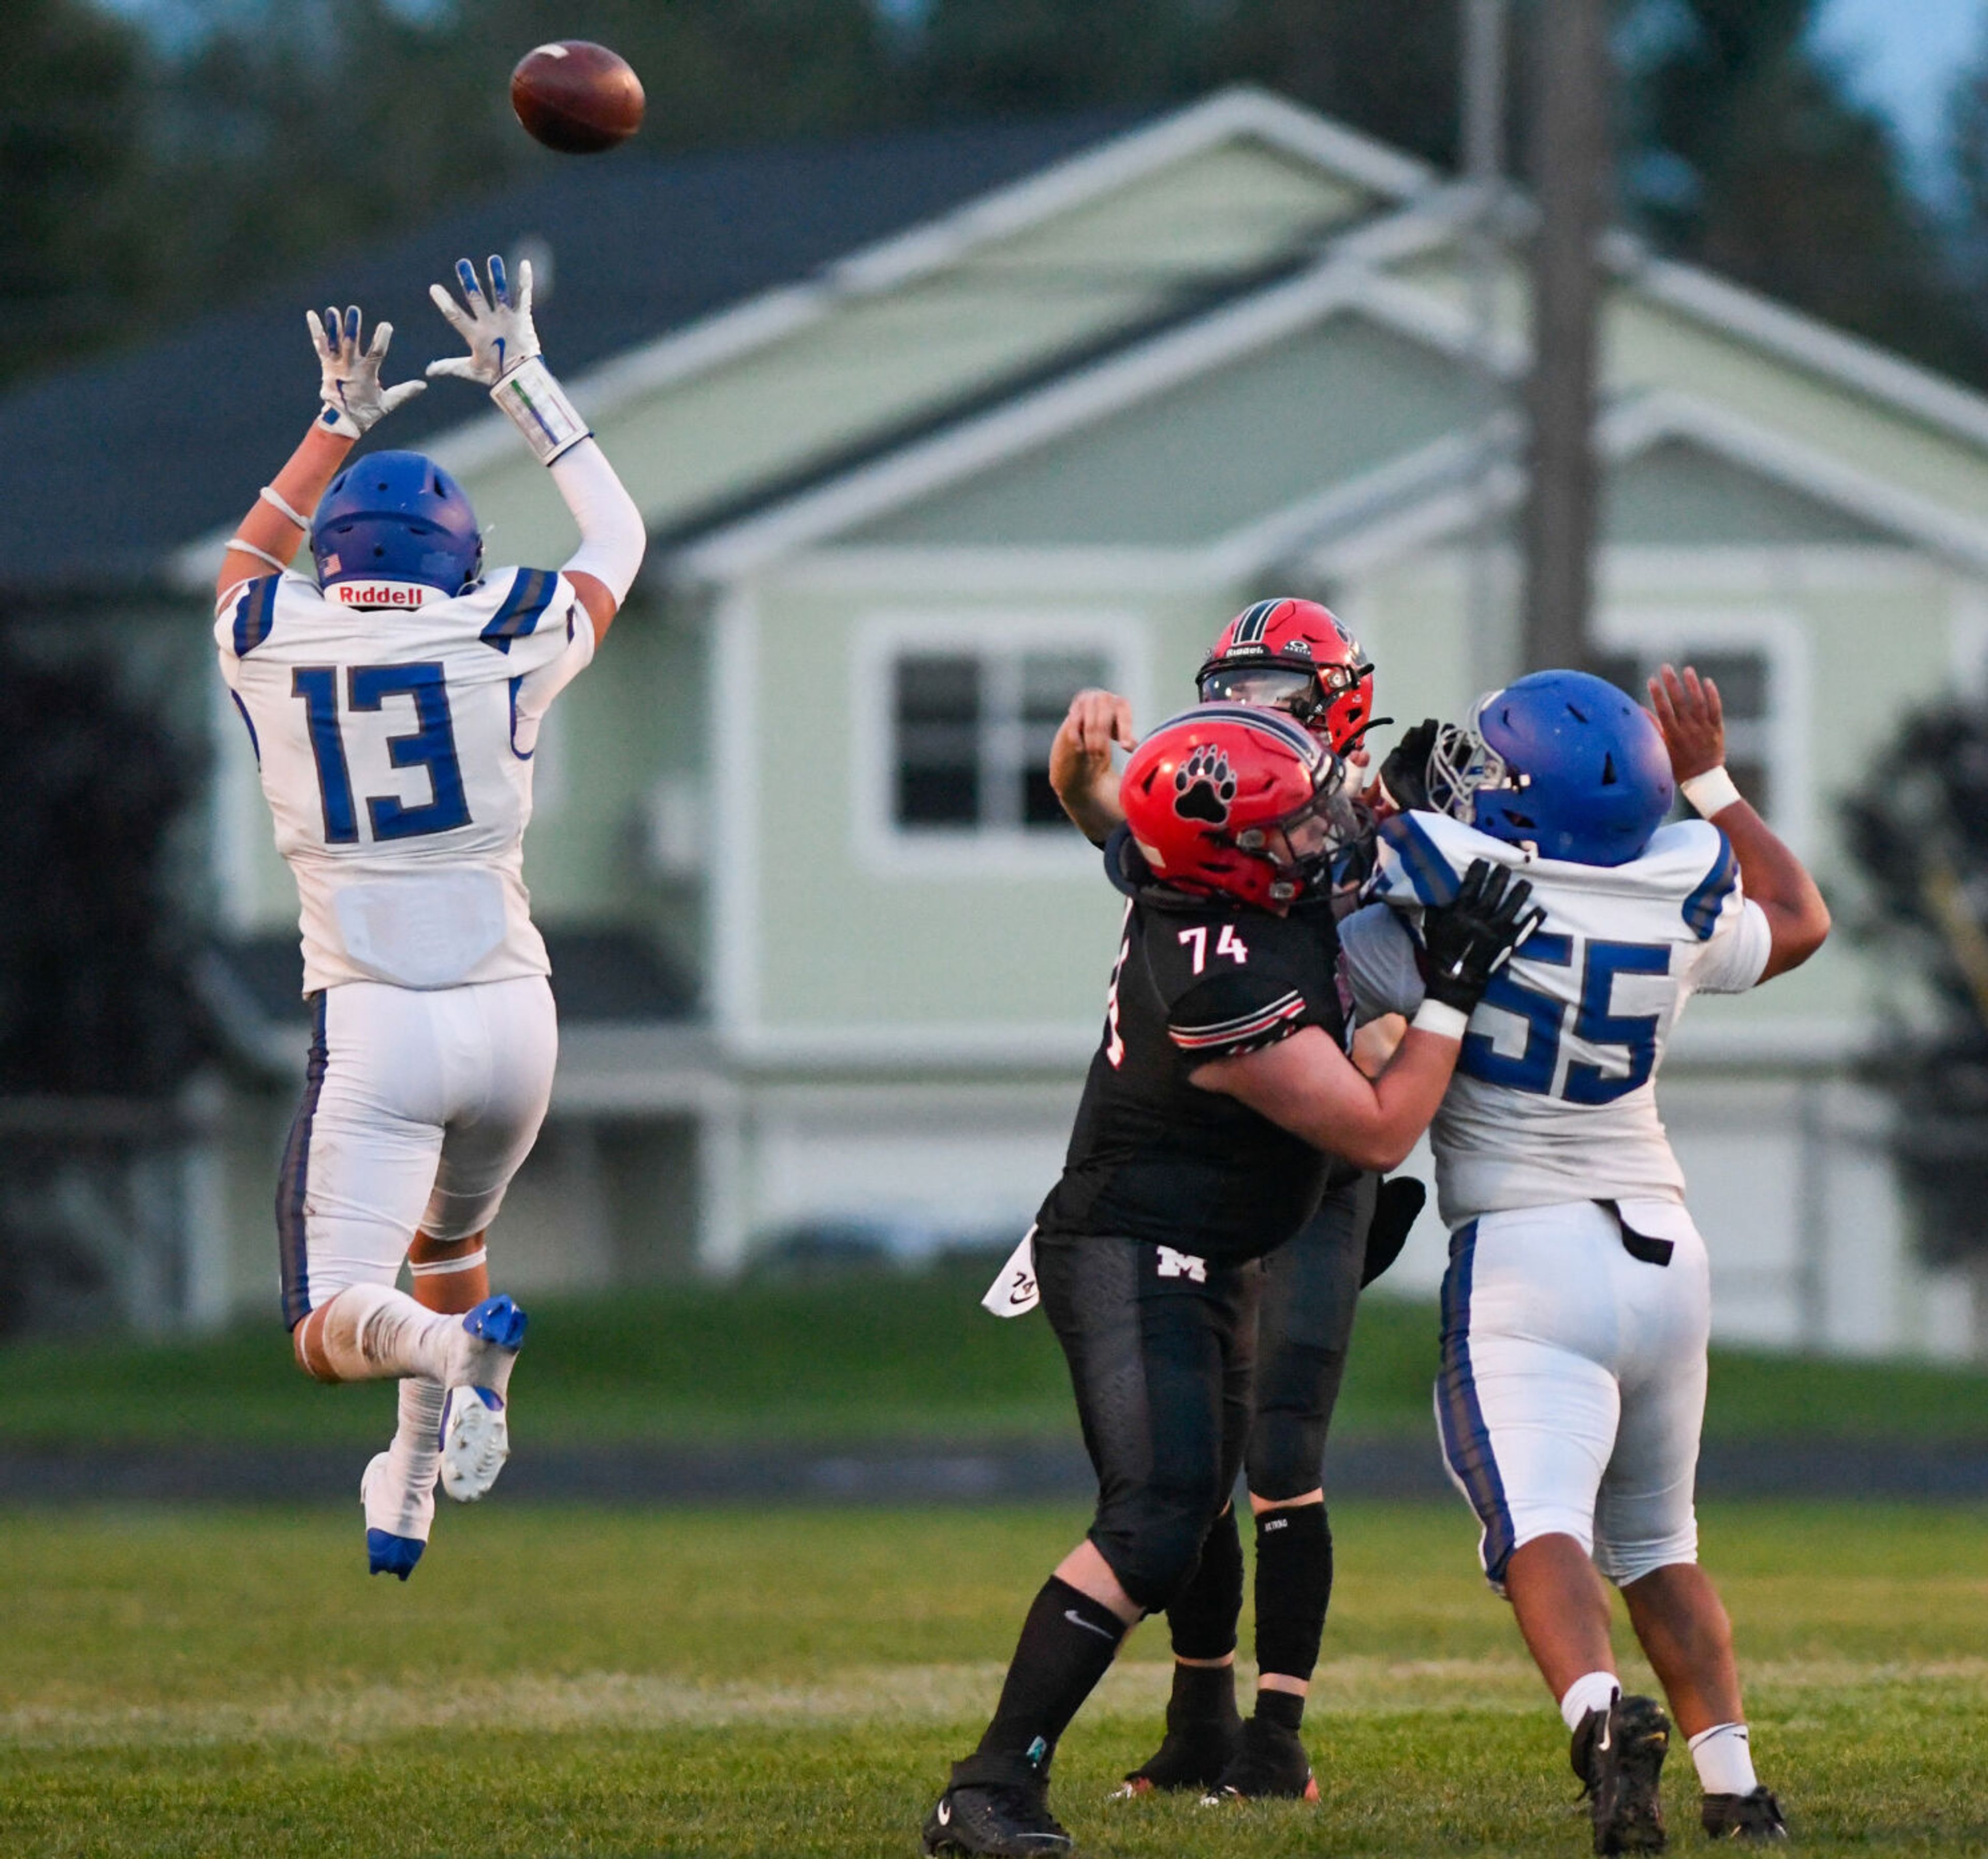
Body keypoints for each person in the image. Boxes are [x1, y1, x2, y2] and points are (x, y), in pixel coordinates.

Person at [925, 703, 1542, 1857]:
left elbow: (1142, 815)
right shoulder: (1218, 973)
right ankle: (990, 1785)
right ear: (1232, 857)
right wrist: (1451, 991)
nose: (1321, 832)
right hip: (1132, 1251)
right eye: (1296, 824)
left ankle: (1077, 1759)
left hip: (1199, 1251)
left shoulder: (1227, 878)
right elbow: (1375, 1127)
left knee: (1188, 1508)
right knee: (1158, 1521)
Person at [1340, 666, 1829, 1852]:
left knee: (1538, 1531)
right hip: (1667, 1252)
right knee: (1661, 1545)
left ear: (1518, 799)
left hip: (1528, 1250)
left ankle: (1602, 1718)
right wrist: (1715, 779)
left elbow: (1339, 867)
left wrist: (1370, 804)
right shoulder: (1676, 885)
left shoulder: (1442, 876)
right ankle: (1737, 1788)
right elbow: (1803, 917)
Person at [213, 256, 645, 1579]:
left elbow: (244, 554)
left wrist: (335, 418)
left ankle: (462, 1360)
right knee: (446, 1244)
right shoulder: (505, 628)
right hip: (517, 1019)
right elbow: (616, 537)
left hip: (378, 1026)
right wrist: (522, 375)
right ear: (465, 560)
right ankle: (406, 1486)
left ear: (335, 562)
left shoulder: (268, 636)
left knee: (333, 1321)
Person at [1046, 597, 1421, 1800]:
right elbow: (1128, 832)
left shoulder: (1384, 828)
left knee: (1281, 1453)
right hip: (1214, 1162)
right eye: (1240, 690)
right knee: (1195, 1461)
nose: (1253, 715)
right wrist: (1078, 772)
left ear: (1339, 704)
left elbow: (1397, 1036)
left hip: (1320, 1165)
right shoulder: (1238, 805)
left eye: (1281, 695)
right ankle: (1200, 1717)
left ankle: (1279, 1735)